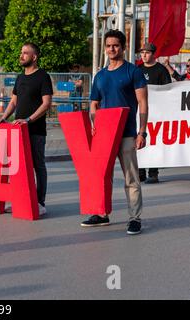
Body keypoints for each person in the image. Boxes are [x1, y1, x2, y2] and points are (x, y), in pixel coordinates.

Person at [83, 30, 148, 235]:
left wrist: (142, 132)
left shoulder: (133, 72)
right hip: (104, 135)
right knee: (102, 177)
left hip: (127, 133)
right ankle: (101, 214)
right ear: (105, 48)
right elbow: (94, 103)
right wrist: (94, 123)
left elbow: (143, 103)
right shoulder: (100, 76)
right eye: (109, 46)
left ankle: (135, 218)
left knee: (131, 178)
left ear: (123, 47)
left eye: (116, 45)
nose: (112, 49)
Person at [0, 42, 53, 216]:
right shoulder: (20, 78)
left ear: (34, 57)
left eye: (25, 53)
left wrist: (28, 120)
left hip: (35, 130)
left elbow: (46, 103)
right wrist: (4, 118)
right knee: (18, 167)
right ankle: (20, 199)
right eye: (21, 52)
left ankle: (39, 202)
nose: (21, 55)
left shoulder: (43, 76)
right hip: (18, 131)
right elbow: (13, 102)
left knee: (38, 166)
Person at [138, 43, 171, 184]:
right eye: (142, 52)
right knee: (139, 141)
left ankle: (153, 173)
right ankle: (140, 172)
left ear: (154, 54)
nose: (144, 55)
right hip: (140, 112)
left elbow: (168, 90)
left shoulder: (161, 70)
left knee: (153, 143)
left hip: (156, 112)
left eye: (147, 52)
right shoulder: (137, 70)